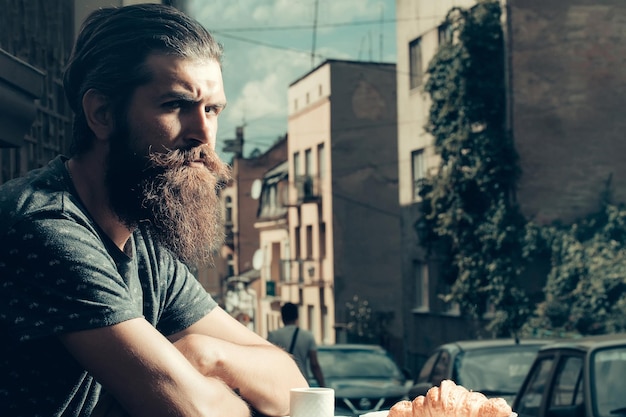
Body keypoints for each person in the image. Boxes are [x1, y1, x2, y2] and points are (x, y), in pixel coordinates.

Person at [0, 4, 307, 417]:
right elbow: (194, 412)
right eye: (176, 105)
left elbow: (292, 388)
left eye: (212, 109)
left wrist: (203, 354)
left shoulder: (142, 244)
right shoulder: (46, 226)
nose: (203, 133)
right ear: (102, 114)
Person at [268, 303, 326, 388]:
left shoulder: (273, 336)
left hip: (281, 382)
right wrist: (322, 385)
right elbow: (314, 365)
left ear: (282, 317)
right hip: (302, 381)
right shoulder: (307, 336)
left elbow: (269, 361)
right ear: (297, 317)